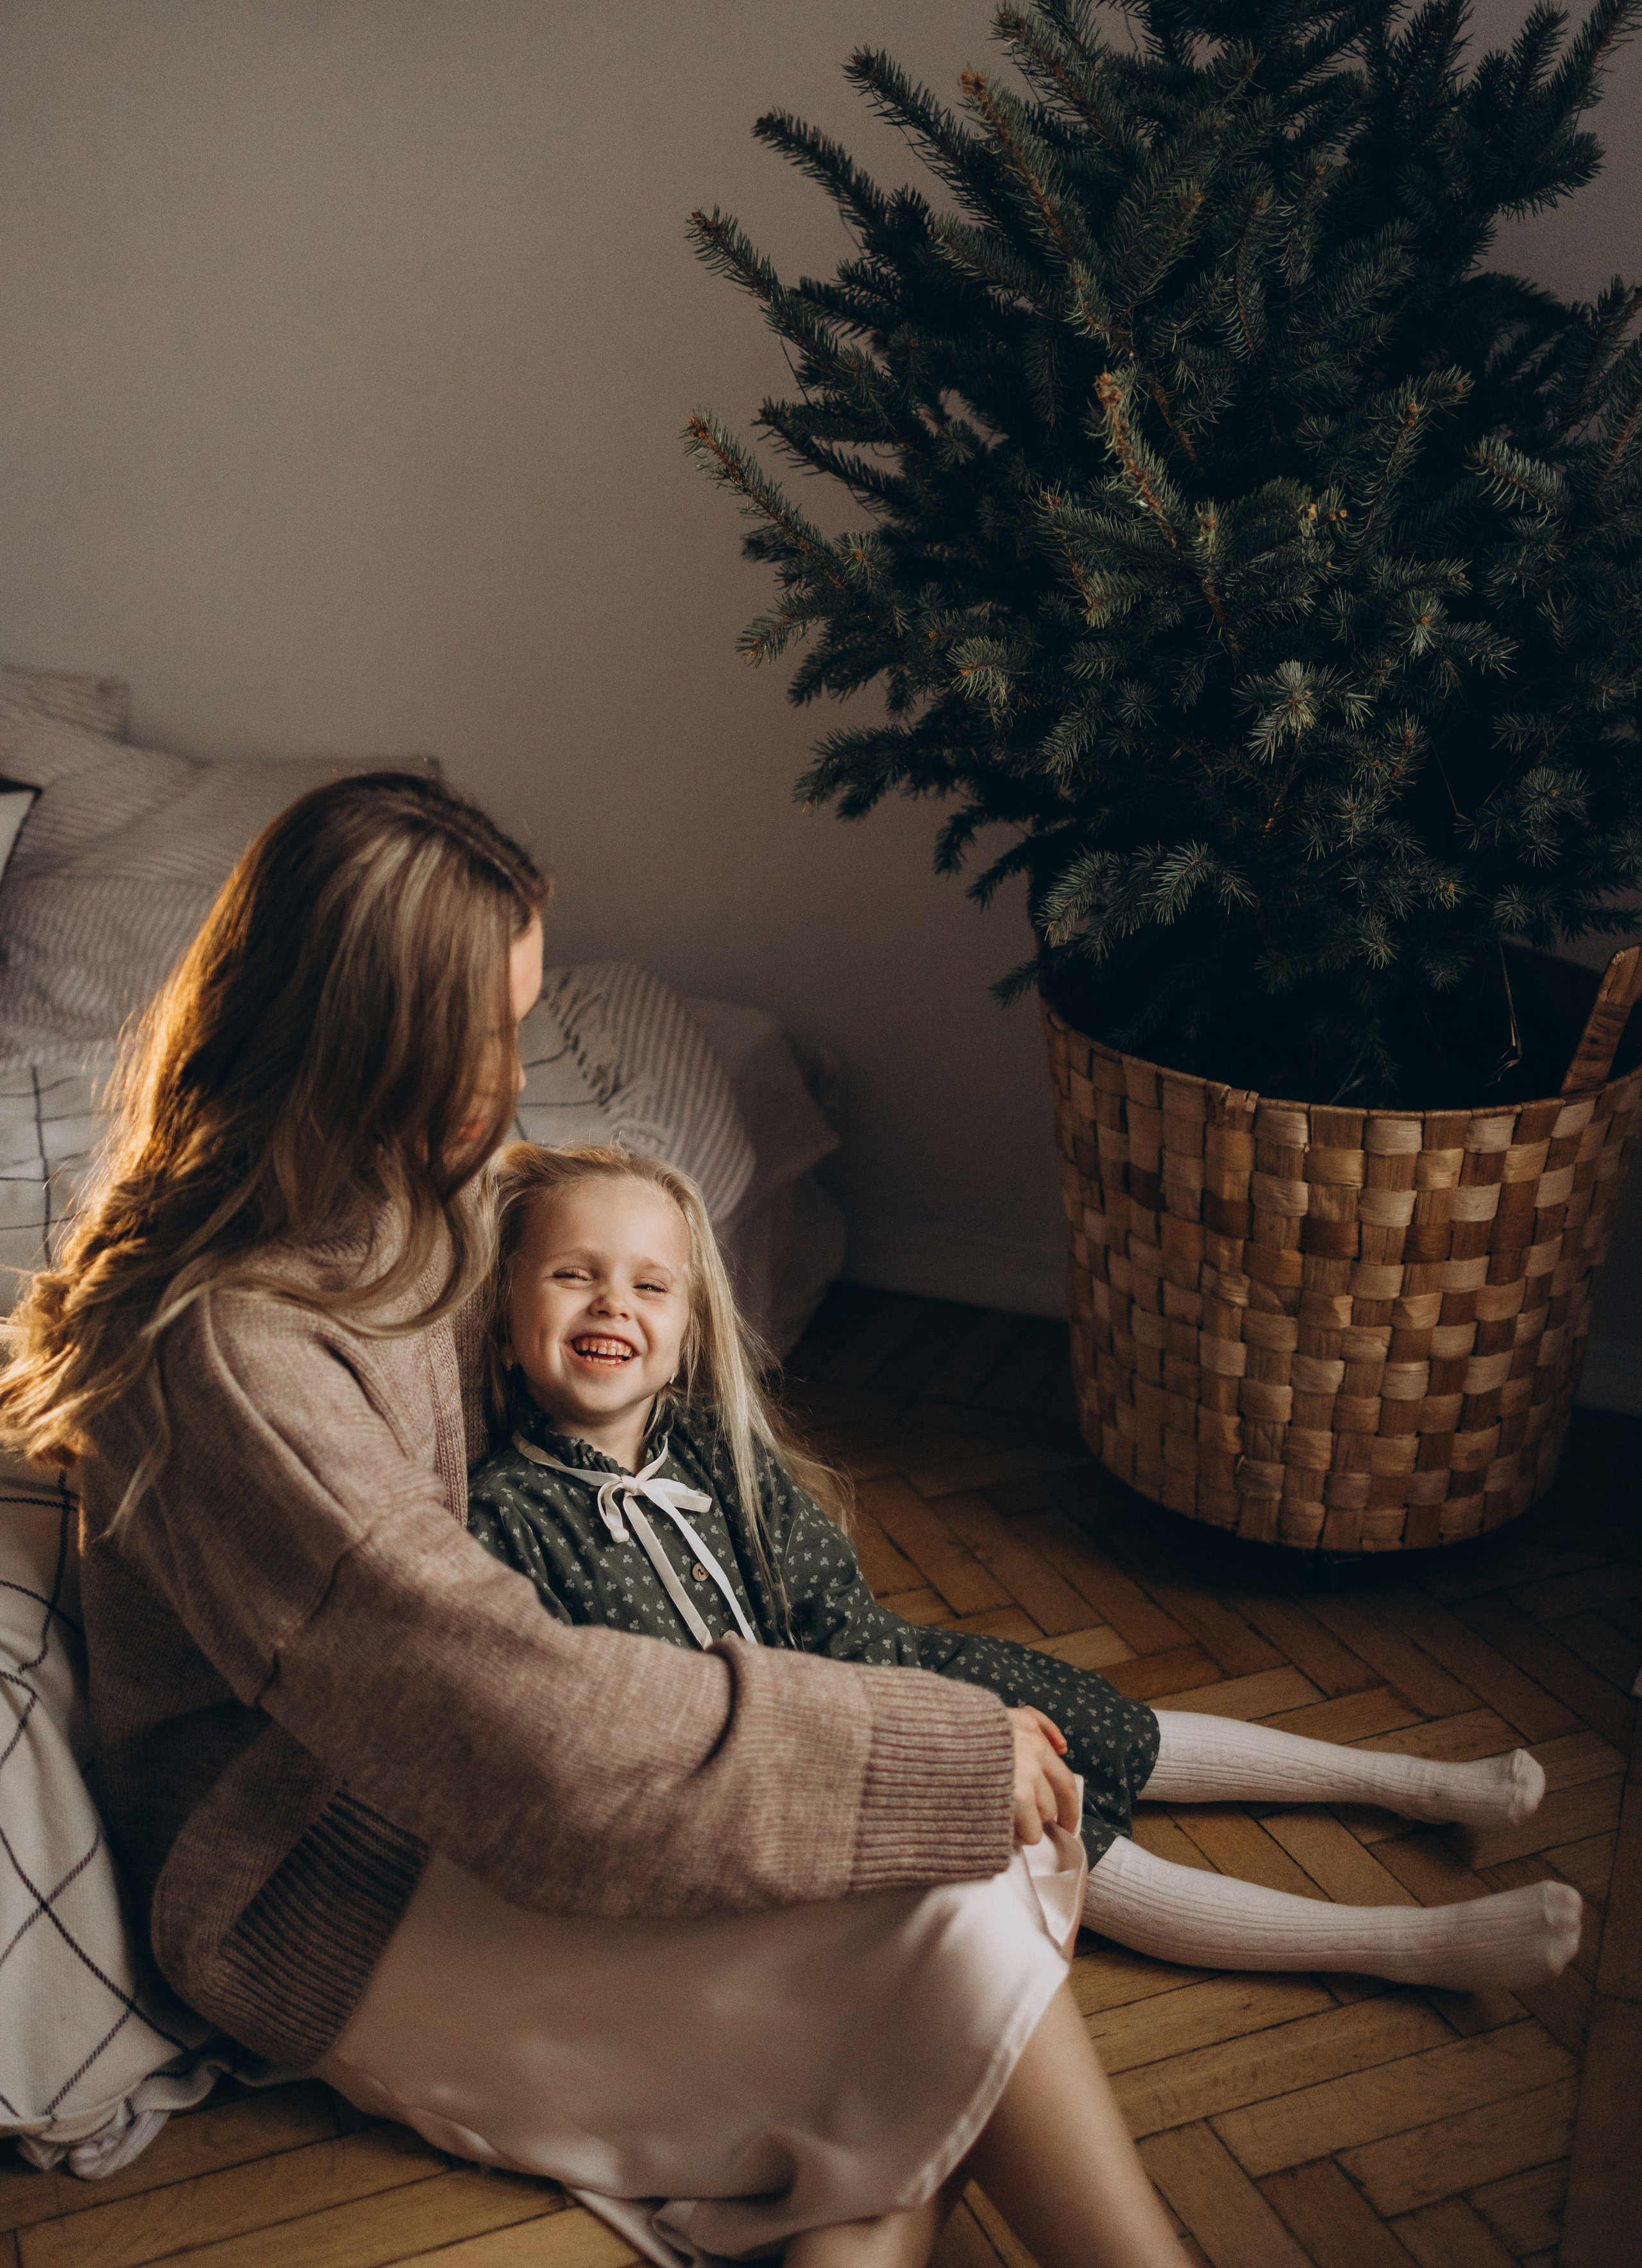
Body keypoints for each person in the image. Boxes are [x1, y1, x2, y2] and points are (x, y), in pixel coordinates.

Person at [0, 773, 1190, 2268]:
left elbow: (590, 1288)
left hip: (449, 1797)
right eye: (484, 1037)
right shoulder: (237, 1352)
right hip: (319, 1891)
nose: (509, 1080)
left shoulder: (416, 1193)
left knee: (917, 2007)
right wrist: (916, 1743)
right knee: (945, 1908)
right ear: (368, 1042)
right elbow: (515, 1722)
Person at [469, 1142, 1586, 2017]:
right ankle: (1405, 1946)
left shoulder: (717, 1449)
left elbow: (833, 1613)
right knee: (1053, 1833)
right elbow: (601, 1723)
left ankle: (1409, 1785)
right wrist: (933, 1750)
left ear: (683, 1335)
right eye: (574, 1276)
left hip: (872, 1677)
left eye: (649, 1286)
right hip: (765, 1783)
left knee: (1086, 1717)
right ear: (510, 1323)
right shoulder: (508, 1515)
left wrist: (942, 1709)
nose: (613, 1304)